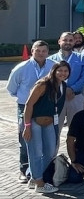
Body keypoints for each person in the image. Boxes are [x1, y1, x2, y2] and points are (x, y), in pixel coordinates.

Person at [9, 41, 56, 183]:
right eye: (38, 50)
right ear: (32, 51)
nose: (41, 53)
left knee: (45, 142)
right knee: (25, 140)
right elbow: (12, 89)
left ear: (48, 52)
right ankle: (24, 170)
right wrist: (26, 98)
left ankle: (38, 172)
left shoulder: (52, 66)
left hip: (45, 109)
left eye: (44, 51)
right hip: (25, 107)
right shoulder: (21, 68)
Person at [21, 61, 69, 193]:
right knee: (35, 152)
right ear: (53, 71)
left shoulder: (63, 86)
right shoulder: (43, 84)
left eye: (65, 71)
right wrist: (27, 126)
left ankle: (34, 177)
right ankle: (39, 184)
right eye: (60, 70)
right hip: (34, 122)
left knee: (50, 151)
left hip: (50, 123)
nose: (62, 73)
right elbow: (28, 105)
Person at [49, 32, 84, 133]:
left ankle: (75, 149)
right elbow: (49, 78)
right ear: (59, 41)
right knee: (55, 130)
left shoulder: (81, 58)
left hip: (75, 97)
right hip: (56, 98)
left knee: (76, 130)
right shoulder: (51, 60)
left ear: (74, 42)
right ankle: (54, 149)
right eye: (65, 40)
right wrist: (62, 90)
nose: (68, 42)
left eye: (71, 40)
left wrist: (72, 89)